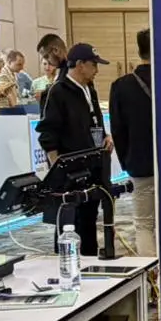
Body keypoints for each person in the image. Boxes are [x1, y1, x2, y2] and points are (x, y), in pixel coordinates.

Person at [37, 42, 114, 256]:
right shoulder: (58, 91)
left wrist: (105, 136)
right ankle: (66, 263)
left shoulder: (89, 89)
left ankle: (90, 259)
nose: (96, 70)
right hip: (70, 170)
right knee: (69, 222)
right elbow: (48, 134)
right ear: (80, 64)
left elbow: (95, 121)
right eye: (93, 65)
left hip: (93, 165)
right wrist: (58, 168)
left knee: (89, 219)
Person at [109, 27, 156, 256]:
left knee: (144, 224)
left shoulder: (121, 86)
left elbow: (117, 130)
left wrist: (127, 162)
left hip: (140, 164)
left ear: (139, 52)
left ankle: (152, 273)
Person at [35, 33, 68, 107]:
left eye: (46, 56)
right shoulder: (64, 69)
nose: (48, 61)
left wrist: (45, 95)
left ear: (56, 50)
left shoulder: (72, 69)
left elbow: (67, 95)